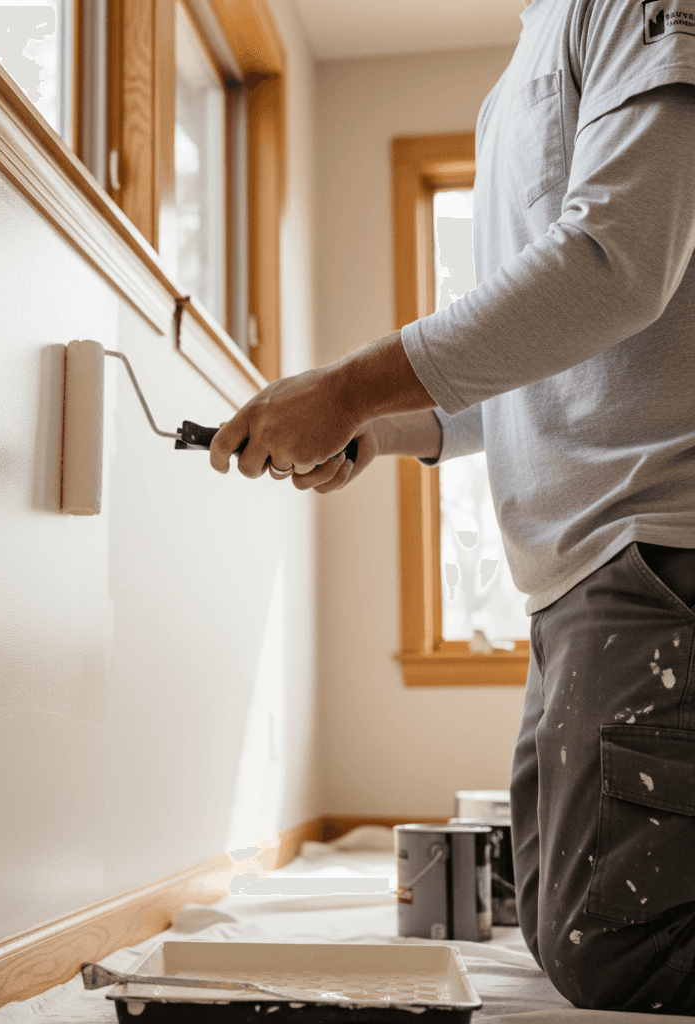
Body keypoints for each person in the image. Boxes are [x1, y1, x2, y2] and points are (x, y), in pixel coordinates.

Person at [211, 0, 695, 1012]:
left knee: (613, 947)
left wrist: (348, 385)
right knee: (545, 901)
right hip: (578, 575)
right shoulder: (530, 50)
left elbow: (616, 265)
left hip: (650, 543)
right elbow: (548, 356)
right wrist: (384, 427)